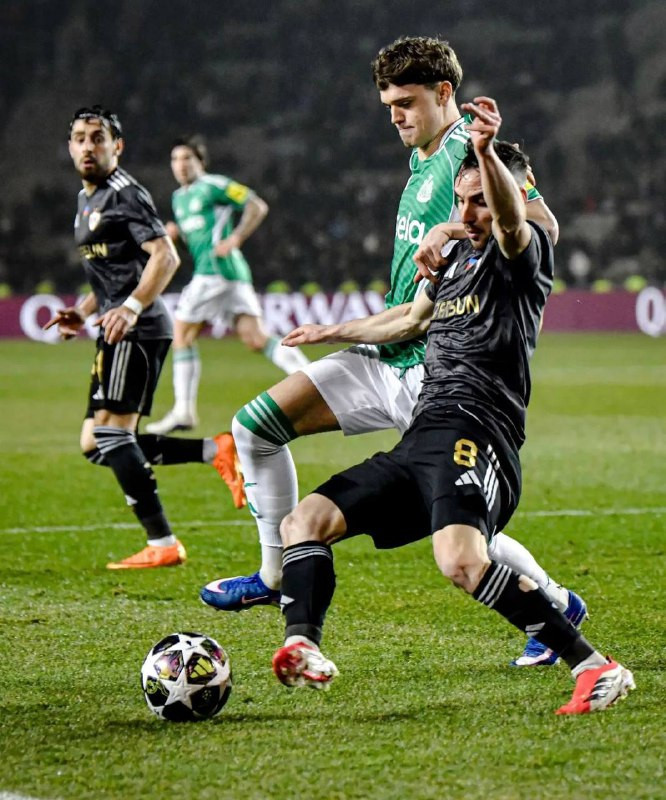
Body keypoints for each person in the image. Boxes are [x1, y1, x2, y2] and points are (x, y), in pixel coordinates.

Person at [201, 36, 580, 669]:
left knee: (459, 523)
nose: (396, 116)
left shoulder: (469, 152)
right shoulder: (420, 161)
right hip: (389, 346)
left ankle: (556, 603)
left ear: (444, 93)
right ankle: (275, 575)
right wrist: (334, 331)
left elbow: (544, 228)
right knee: (255, 426)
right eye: (388, 106)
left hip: (438, 365)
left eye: (406, 103)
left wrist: (454, 227)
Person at [270, 99, 635, 715]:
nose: (467, 214)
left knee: (460, 561)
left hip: (478, 433)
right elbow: (408, 320)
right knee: (304, 522)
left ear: (510, 196)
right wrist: (329, 331)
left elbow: (515, 220)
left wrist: (487, 152)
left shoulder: (521, 256)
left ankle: (597, 668)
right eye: (461, 202)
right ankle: (302, 645)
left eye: (480, 202)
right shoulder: (455, 261)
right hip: (423, 433)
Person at [44, 106, 244, 570]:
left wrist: (131, 308)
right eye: (80, 138)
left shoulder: (125, 193)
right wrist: (84, 311)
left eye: (98, 138)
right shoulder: (87, 199)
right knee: (95, 444)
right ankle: (215, 449)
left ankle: (163, 543)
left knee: (112, 433)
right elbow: (118, 271)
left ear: (117, 146)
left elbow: (165, 257)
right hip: (115, 324)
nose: (88, 146)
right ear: (70, 146)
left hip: (136, 328)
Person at [146, 135, 309, 435]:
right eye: (175, 159)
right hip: (231, 275)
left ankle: (184, 411)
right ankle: (312, 379)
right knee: (256, 339)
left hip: (214, 271)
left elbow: (256, 205)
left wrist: (236, 238)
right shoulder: (178, 199)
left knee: (181, 334)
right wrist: (177, 236)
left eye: (187, 158)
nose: (180, 165)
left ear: (200, 162)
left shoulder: (214, 185)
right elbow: (197, 239)